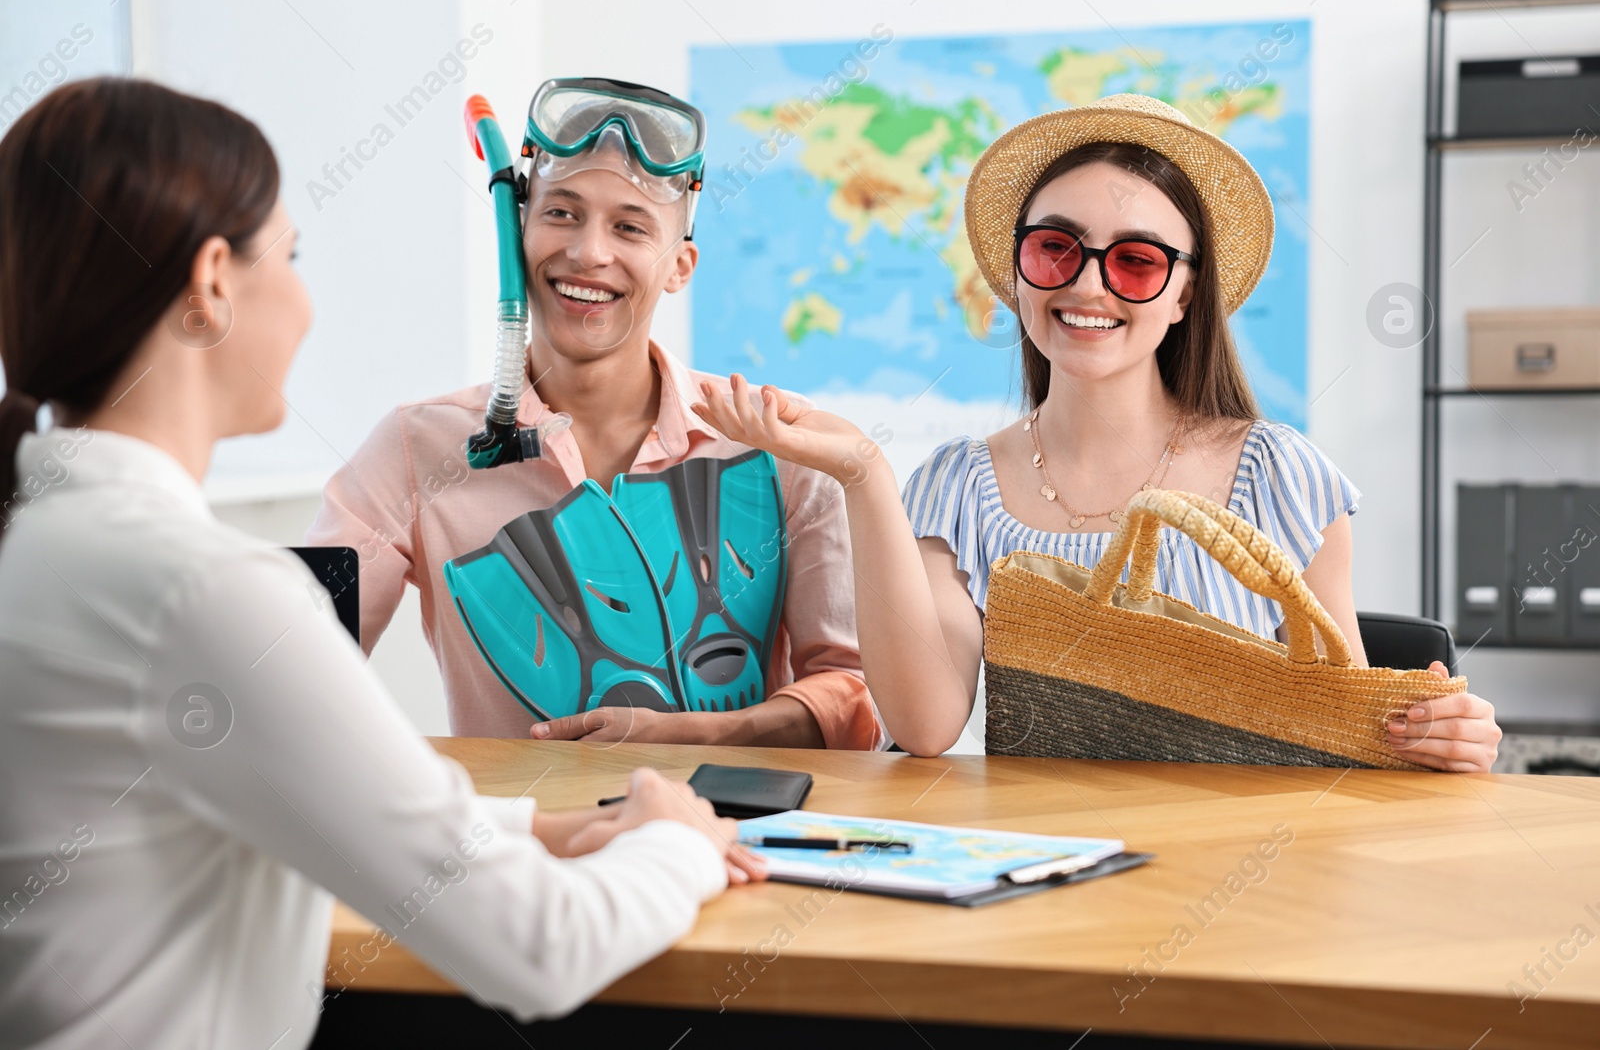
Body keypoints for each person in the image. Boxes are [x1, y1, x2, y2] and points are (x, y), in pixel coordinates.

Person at [0, 78, 764, 1050]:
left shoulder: (45, 539)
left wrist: (538, 826)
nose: (310, 303)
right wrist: (675, 841)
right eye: (293, 254)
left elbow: (315, 780)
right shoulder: (203, 594)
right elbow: (539, 945)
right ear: (211, 284)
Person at [693, 94, 1501, 771]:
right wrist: (864, 471)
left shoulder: (1282, 476)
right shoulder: (955, 486)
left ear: (1185, 294)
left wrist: (1439, 738)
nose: (1087, 284)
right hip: (1041, 890)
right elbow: (928, 726)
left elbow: (1345, 739)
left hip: (1242, 890)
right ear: (1018, 273)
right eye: (1056, 249)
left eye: (1137, 262)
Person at [307, 77, 880, 750]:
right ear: (516, 230)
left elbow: (855, 701)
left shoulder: (778, 439)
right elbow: (288, 663)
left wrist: (702, 733)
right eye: (562, 213)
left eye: (630, 227)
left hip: (734, 849)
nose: (588, 252)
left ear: (680, 266)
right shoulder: (415, 446)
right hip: (520, 851)